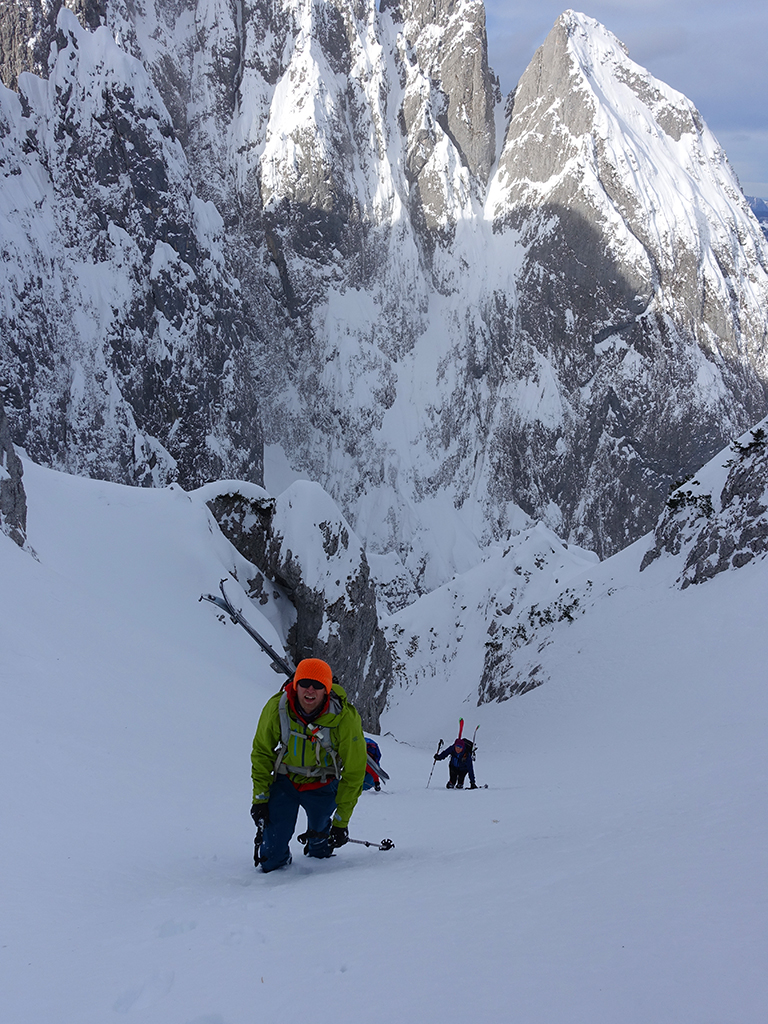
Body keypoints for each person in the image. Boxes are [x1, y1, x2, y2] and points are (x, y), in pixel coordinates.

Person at [250, 657, 367, 872]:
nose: (310, 690)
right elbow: (262, 753)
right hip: (285, 782)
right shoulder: (278, 708)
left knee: (320, 851)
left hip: (323, 785)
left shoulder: (345, 718)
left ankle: (319, 841)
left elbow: (354, 771)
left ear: (327, 689)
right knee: (271, 861)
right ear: (296, 685)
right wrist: (260, 799)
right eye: (304, 683)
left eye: (318, 685)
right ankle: (280, 857)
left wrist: (341, 823)